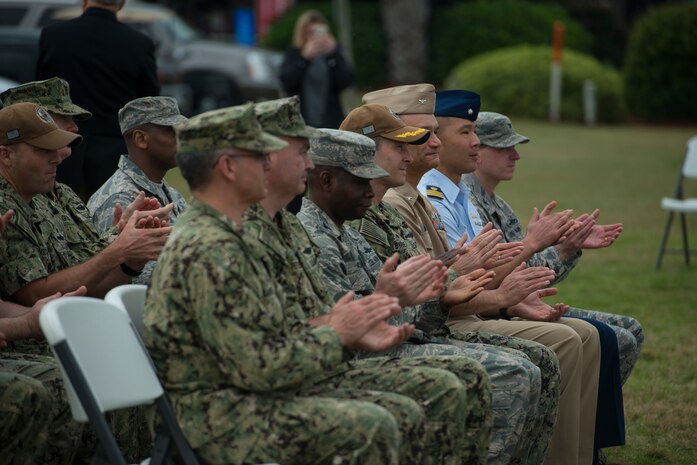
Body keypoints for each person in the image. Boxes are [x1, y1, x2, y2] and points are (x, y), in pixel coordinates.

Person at [144, 102, 485, 465]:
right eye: (261, 155)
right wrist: (340, 333)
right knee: (375, 424)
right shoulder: (210, 247)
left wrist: (355, 322)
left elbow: (294, 325)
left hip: (268, 390)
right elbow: (257, 367)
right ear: (228, 167)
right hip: (220, 415)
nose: (306, 164)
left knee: (435, 391)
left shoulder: (251, 231)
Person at [364, 85, 606, 465]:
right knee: (558, 347)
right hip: (441, 325)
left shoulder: (430, 196)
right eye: (465, 132)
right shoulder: (404, 198)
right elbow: (444, 291)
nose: (475, 143)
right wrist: (513, 277)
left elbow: (460, 280)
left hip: (452, 318)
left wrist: (537, 263)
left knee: (590, 336)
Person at [297, 126, 560, 465]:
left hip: (402, 339)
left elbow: (399, 309)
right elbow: (357, 330)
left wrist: (440, 298)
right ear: (328, 181)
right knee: (509, 372)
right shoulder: (319, 237)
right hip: (360, 357)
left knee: (530, 365)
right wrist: (428, 297)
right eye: (361, 182)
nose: (369, 192)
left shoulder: (344, 229)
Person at [469, 111, 645, 460]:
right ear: (477, 150)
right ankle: (577, 442)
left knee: (630, 332)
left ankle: (583, 437)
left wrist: (565, 248)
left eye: (515, 147)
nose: (515, 155)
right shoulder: (467, 203)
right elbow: (506, 275)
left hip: (516, 302)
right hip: (496, 307)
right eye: (504, 147)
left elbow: (531, 274)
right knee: (613, 339)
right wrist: (550, 248)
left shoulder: (497, 204)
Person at [0, 102, 170, 307]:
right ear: (6, 155)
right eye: (44, 150)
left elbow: (86, 288)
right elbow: (37, 296)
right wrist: (118, 249)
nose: (58, 158)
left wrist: (132, 261)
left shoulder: (40, 199)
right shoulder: (5, 206)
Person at [36, 0, 160, 199]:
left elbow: (40, 96)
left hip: (62, 152)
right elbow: (149, 106)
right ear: (122, 3)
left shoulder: (54, 35)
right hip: (114, 157)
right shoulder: (138, 43)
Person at [87, 96, 189, 284]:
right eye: (170, 131)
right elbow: (131, 281)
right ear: (141, 139)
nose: (180, 138)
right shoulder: (120, 198)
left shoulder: (171, 193)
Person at [279, 10, 354, 129]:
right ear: (302, 33)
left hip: (330, 121)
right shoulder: (295, 54)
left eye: (319, 31)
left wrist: (333, 54)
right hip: (302, 120)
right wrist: (304, 59)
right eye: (310, 32)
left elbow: (346, 81)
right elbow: (287, 82)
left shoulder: (332, 56)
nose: (315, 37)